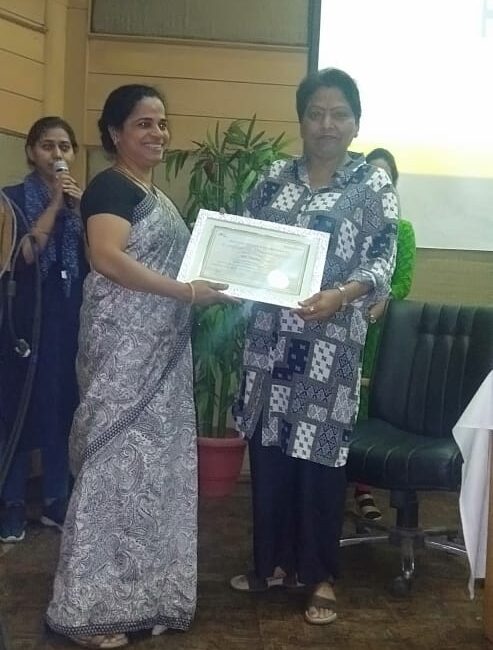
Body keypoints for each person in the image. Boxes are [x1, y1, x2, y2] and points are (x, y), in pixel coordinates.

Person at [46, 84, 235, 649]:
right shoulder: (111, 187)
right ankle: (86, 610)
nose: (157, 133)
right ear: (115, 133)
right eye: (143, 124)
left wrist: (206, 288)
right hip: (123, 354)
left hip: (163, 352)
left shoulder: (154, 194)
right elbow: (107, 258)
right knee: (112, 473)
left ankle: (144, 599)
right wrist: (186, 292)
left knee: (153, 478)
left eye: (162, 123)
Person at [231, 68, 399, 625]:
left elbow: (382, 259)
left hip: (329, 349)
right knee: (271, 457)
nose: (327, 124)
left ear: (356, 124)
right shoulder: (272, 178)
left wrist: (343, 294)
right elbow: (244, 241)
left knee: (320, 463)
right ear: (301, 120)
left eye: (339, 114)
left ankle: (321, 575)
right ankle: (272, 564)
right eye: (316, 113)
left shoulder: (371, 185)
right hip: (269, 347)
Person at [0, 117, 87, 542]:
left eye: (65, 147)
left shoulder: (81, 203)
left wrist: (81, 211)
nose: (57, 155)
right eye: (48, 146)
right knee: (17, 409)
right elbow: (23, 256)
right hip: (24, 321)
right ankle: (12, 504)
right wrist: (54, 204)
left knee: (61, 408)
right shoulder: (11, 200)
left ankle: (56, 499)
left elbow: (98, 258)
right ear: (31, 152)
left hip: (67, 321)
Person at [353, 147, 416, 521]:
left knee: (366, 407)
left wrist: (378, 301)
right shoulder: (346, 222)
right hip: (337, 322)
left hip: (379, 331)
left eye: (385, 179)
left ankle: (364, 489)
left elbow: (402, 282)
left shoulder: (402, 230)